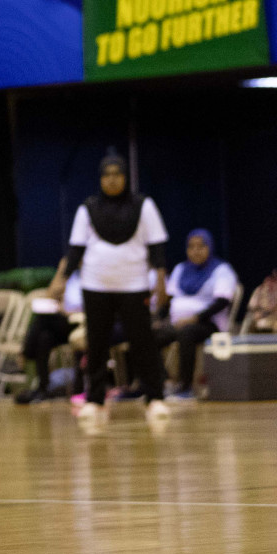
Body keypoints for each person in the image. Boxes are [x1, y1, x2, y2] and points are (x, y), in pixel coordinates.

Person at [51, 150, 169, 424]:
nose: (113, 180)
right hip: (95, 285)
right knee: (97, 343)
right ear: (101, 179)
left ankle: (155, 397)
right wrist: (61, 279)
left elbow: (157, 248)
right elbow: (76, 249)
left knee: (143, 342)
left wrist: (161, 281)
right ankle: (95, 400)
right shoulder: (88, 208)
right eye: (107, 175)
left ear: (125, 178)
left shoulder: (144, 206)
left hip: (134, 285)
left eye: (118, 175)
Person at [155, 229, 237, 401]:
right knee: (150, 335)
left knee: (187, 333)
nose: (196, 251)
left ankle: (186, 387)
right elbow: (169, 300)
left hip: (209, 324)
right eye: (191, 247)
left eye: (201, 246)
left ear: (210, 247)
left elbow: (222, 302)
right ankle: (165, 383)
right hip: (179, 323)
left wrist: (194, 318)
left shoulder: (221, 270)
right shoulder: (181, 269)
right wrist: (159, 320)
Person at [15, 256, 84, 404]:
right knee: (44, 337)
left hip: (86, 323)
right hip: (66, 323)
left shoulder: (96, 273)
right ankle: (43, 388)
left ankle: (24, 354)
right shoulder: (69, 275)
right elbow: (49, 296)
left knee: (43, 321)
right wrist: (62, 272)